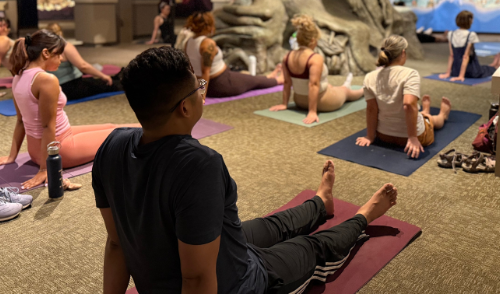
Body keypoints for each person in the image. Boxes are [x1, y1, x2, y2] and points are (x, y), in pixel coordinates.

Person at [92, 46, 398, 294]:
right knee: (311, 247)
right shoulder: (198, 165)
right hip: (241, 284)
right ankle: (363, 217)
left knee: (271, 226)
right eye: (198, 87)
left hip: (217, 256)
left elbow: (117, 243)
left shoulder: (112, 145)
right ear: (184, 108)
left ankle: (320, 202)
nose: (202, 91)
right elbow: (196, 280)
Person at [0, 30, 139, 190]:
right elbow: (47, 127)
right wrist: (46, 169)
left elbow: (20, 121)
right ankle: (157, 130)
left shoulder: (18, 76)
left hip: (36, 149)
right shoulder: (46, 80)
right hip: (59, 148)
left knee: (112, 126)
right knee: (121, 135)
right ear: (45, 53)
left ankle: (152, 128)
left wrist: (12, 156)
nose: (61, 59)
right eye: (58, 54)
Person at [356, 35, 451, 158]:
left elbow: (371, 109)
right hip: (414, 137)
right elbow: (408, 105)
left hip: (384, 136)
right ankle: (441, 115)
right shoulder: (410, 74)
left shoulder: (370, 76)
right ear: (403, 53)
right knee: (431, 120)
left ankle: (424, 112)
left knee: (418, 112)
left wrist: (369, 136)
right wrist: (412, 137)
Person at [270, 15, 364, 124]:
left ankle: (347, 85)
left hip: (299, 101)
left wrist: (284, 104)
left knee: (329, 86)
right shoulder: (315, 58)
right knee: (345, 91)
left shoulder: (287, 57)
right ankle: (363, 90)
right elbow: (313, 85)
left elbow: (287, 82)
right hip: (323, 102)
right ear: (313, 40)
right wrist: (312, 111)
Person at [183, 11, 283, 98]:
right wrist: (202, 96)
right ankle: (278, 81)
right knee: (252, 81)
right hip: (221, 83)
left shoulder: (188, 42)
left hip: (214, 81)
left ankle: (269, 77)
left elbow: (191, 69)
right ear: (208, 26)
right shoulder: (207, 44)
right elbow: (205, 72)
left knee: (249, 77)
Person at [45, 23, 123, 101]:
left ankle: (118, 77)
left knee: (93, 80)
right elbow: (83, 66)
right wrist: (102, 76)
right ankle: (125, 81)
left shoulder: (42, 48)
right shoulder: (65, 46)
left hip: (53, 89)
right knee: (106, 84)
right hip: (69, 87)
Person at [439, 10, 500, 81]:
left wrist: (448, 73)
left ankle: (494, 63)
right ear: (470, 21)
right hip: (471, 71)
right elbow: (466, 57)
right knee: (487, 70)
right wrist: (461, 76)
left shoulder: (451, 34)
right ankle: (495, 64)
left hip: (456, 71)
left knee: (484, 68)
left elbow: (451, 55)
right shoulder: (471, 35)